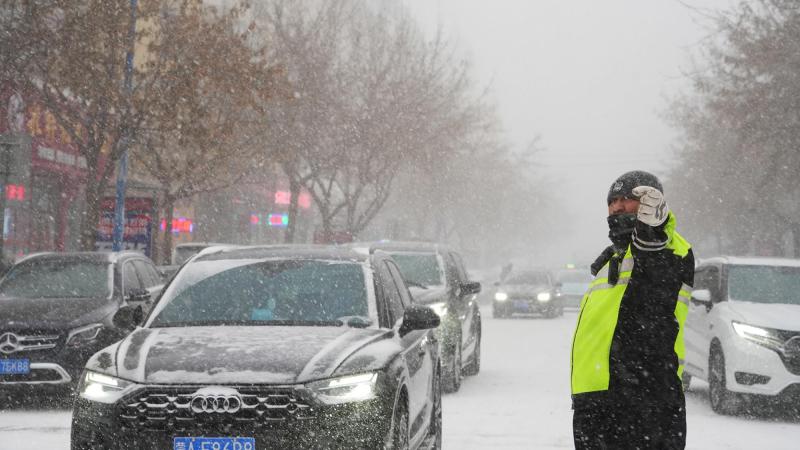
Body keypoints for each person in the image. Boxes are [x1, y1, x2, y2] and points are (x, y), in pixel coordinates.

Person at [571, 170, 694, 449]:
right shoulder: (612, 258)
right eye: (612, 201)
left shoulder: (669, 249)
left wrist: (653, 231)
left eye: (627, 198)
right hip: (595, 399)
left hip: (645, 398)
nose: (617, 206)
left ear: (651, 204)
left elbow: (655, 285)